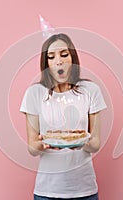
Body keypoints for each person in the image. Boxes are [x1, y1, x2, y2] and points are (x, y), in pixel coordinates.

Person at [20, 33, 107, 200]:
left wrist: (82, 143)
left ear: (72, 58)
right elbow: (32, 147)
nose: (58, 61)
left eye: (64, 54)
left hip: (85, 190)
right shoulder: (34, 93)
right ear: (46, 64)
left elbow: (95, 144)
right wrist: (42, 145)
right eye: (51, 57)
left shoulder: (91, 90)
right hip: (47, 192)